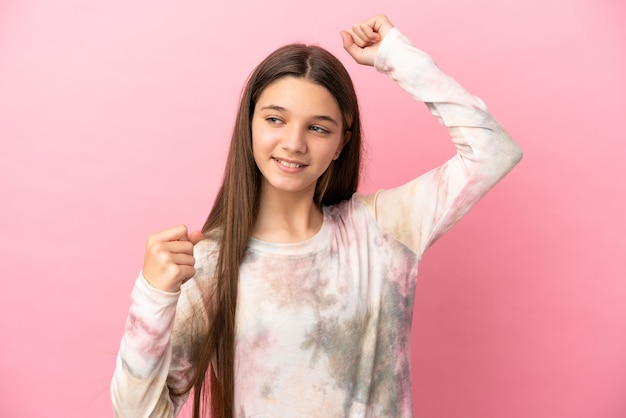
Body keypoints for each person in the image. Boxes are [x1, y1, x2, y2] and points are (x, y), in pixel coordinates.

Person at [111, 13, 522, 418]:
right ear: (249, 124)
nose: (293, 143)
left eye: (318, 128)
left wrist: (399, 57)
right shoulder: (208, 266)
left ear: (342, 142)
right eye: (275, 119)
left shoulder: (382, 230)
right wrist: (152, 295)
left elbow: (494, 152)